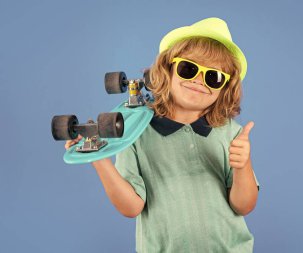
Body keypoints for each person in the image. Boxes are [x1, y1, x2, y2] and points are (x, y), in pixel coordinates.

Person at [65, 17, 260, 253]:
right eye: (189, 69)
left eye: (213, 77)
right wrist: (98, 158)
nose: (199, 81)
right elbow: (131, 207)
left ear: (224, 89)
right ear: (167, 70)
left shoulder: (231, 133)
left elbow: (244, 206)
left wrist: (243, 166)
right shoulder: (134, 131)